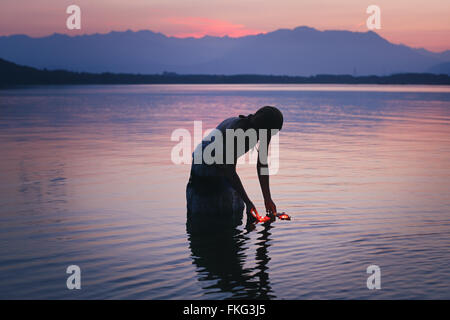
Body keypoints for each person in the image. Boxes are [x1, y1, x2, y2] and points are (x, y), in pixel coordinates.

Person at [186, 106, 283, 231]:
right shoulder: (238, 129)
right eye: (271, 132)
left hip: (223, 163)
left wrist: (267, 198)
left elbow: (262, 164)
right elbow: (229, 170)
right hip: (205, 163)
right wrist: (248, 202)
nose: (270, 136)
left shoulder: (263, 131)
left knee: (232, 208)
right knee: (211, 211)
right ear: (263, 126)